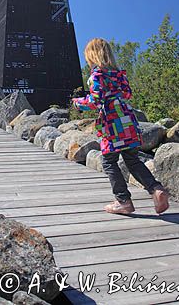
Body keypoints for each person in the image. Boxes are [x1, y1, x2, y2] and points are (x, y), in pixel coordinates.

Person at [72, 38, 169, 215]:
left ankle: (123, 200)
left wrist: (78, 103)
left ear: (92, 56)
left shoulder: (97, 76)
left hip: (112, 123)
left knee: (109, 162)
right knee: (132, 159)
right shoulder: (119, 74)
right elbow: (128, 94)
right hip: (128, 120)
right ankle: (156, 189)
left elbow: (95, 101)